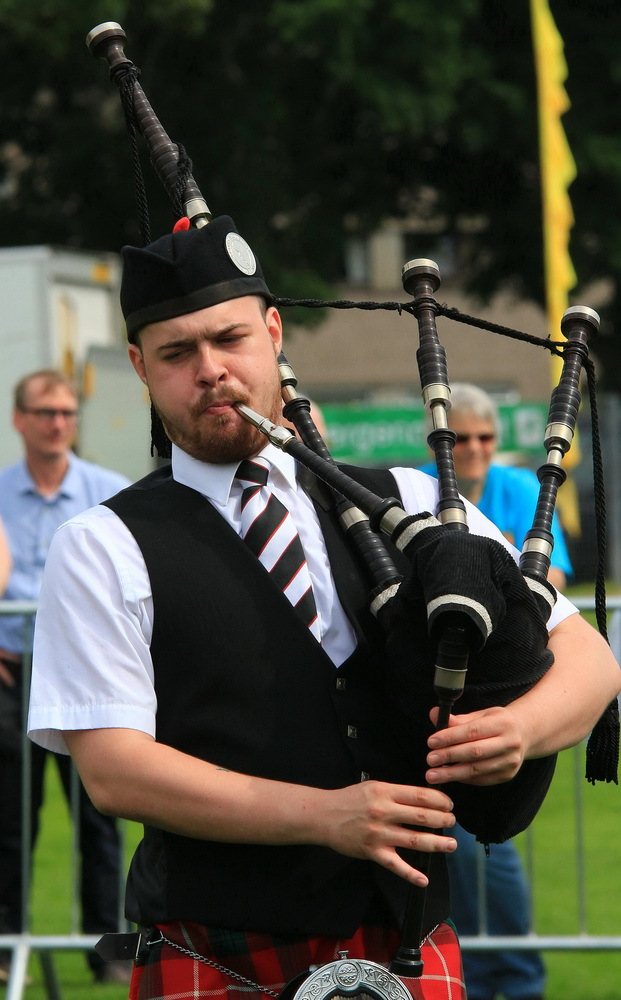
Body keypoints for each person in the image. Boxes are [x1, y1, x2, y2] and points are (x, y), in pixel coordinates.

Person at [26, 218, 620, 1000]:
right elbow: (114, 770)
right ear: (140, 366)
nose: (210, 370)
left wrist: (520, 729)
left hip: (406, 946)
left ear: (273, 333)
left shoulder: (409, 498)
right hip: (217, 952)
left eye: (230, 338)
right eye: (176, 353)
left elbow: (586, 656)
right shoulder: (101, 543)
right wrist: (324, 815)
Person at [418, 382, 573, 1000]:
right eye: (461, 438)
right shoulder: (418, 490)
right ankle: (478, 976)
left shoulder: (522, 490)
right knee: (447, 844)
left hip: (506, 687)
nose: (475, 448)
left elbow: (552, 582)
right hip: (432, 688)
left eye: (485, 437)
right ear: (440, 442)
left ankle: (512, 976)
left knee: (484, 844)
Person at [0, 369, 133, 985]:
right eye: (45, 412)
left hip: (85, 673)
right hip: (12, 673)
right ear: (19, 420)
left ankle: (107, 955)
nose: (57, 423)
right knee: (9, 818)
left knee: (99, 816)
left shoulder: (110, 493)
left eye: (66, 413)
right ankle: (7, 949)